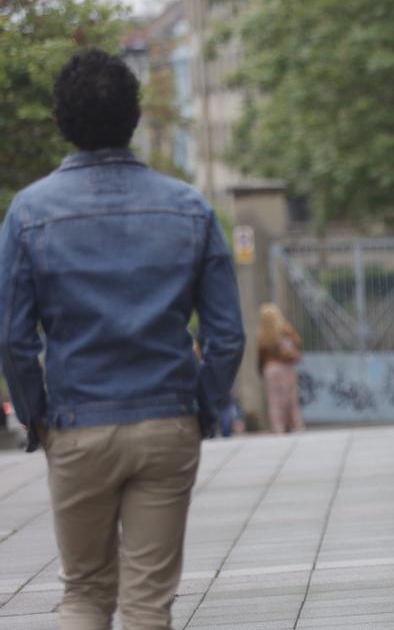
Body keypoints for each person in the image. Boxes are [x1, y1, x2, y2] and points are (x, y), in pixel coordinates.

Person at [0, 49, 244, 629]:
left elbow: (12, 337)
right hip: (166, 422)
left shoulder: (29, 212)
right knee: (147, 604)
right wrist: (201, 409)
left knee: (83, 592)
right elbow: (227, 335)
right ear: (135, 117)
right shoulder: (190, 208)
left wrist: (37, 415)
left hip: (77, 421)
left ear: (59, 122)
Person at [257, 303, 305, 434]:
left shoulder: (263, 335)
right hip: (286, 368)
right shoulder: (285, 330)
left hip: (270, 369)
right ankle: (296, 425)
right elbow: (297, 342)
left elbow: (261, 358)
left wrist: (261, 372)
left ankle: (278, 428)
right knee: (290, 398)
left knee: (274, 402)